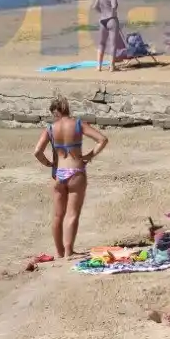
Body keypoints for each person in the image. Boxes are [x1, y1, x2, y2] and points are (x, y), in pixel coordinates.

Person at [33, 96, 108, 258]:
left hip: (58, 174)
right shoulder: (78, 124)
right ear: (67, 109)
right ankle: (69, 251)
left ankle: (59, 252)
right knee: (72, 213)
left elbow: (37, 151)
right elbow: (102, 139)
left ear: (55, 112)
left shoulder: (50, 129)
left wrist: (48, 163)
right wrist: (88, 156)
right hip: (76, 171)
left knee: (58, 215)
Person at [93, 0, 122, 73]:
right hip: (111, 20)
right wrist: (113, 15)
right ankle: (112, 67)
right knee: (113, 44)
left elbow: (95, 7)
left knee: (101, 43)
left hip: (102, 20)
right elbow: (114, 6)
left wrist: (103, 13)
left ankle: (98, 67)